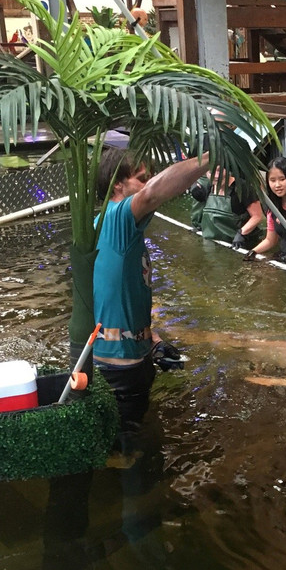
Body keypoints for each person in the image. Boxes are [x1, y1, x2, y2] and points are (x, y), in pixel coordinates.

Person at [92, 146, 207, 444]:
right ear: (118, 185)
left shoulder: (114, 230)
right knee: (130, 455)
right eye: (142, 178)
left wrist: (153, 342)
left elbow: (111, 298)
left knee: (143, 443)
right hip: (120, 370)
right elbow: (153, 194)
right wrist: (214, 157)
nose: (149, 183)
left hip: (133, 359)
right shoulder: (116, 217)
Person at [189, 167, 264, 247]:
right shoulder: (209, 187)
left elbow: (257, 216)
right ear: (206, 174)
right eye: (212, 172)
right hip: (215, 244)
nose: (217, 176)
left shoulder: (242, 188)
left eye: (220, 170)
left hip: (240, 245)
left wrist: (241, 233)